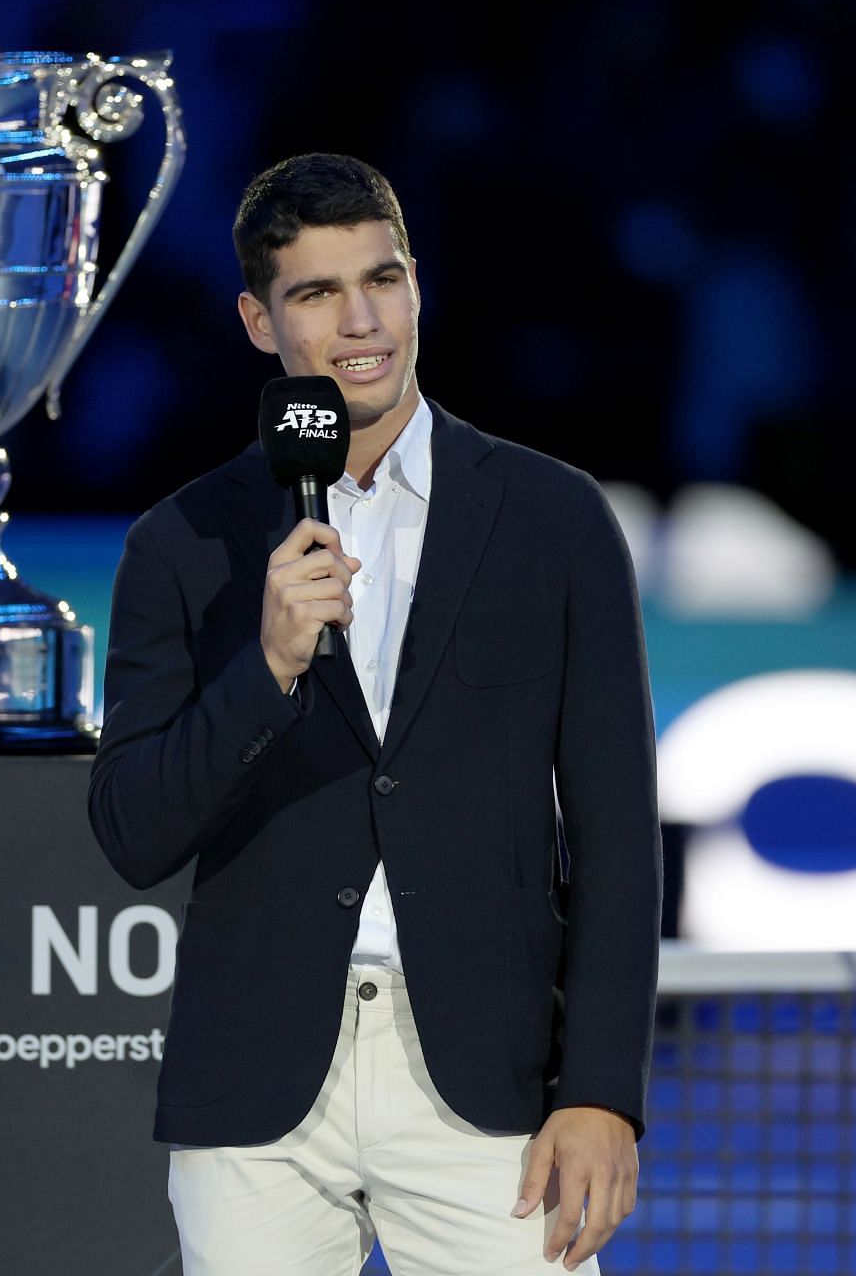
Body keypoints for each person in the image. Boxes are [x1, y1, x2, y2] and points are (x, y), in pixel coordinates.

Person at [87, 152, 661, 1275]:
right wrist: (266, 663)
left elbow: (616, 828)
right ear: (259, 321)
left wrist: (601, 1090)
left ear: (416, 283)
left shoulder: (553, 518)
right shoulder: (181, 543)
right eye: (315, 293)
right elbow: (132, 830)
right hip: (255, 1091)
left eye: (382, 279)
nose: (362, 321)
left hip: (482, 1081)